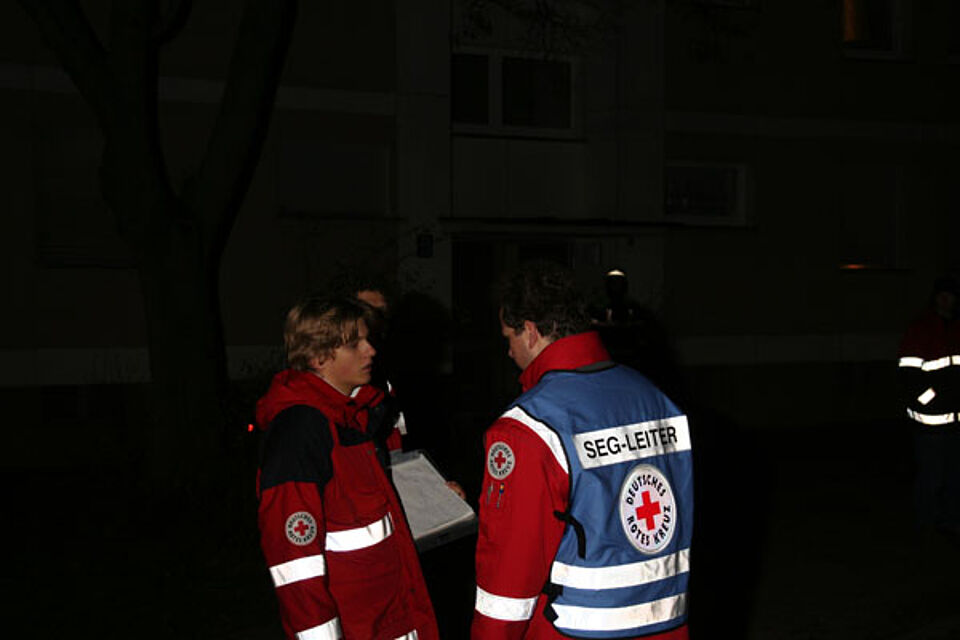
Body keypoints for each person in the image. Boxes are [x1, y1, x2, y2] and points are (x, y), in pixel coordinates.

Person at [471, 262, 694, 640]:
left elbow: (509, 579)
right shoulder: (657, 400)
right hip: (666, 624)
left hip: (574, 630)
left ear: (530, 332)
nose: (508, 352)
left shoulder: (529, 428)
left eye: (509, 337)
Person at [255, 295, 439, 639]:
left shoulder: (354, 415)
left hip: (394, 617)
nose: (370, 350)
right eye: (355, 344)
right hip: (358, 628)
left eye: (367, 339)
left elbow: (369, 512)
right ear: (318, 356)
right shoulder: (301, 432)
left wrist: (433, 499)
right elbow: (295, 564)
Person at [898, 275, 960, 534]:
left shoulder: (957, 328)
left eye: (951, 295)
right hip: (930, 424)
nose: (946, 300)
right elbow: (909, 376)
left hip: (957, 422)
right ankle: (926, 525)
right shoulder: (920, 329)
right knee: (931, 477)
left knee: (955, 478)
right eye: (942, 295)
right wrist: (932, 397)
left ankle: (951, 521)